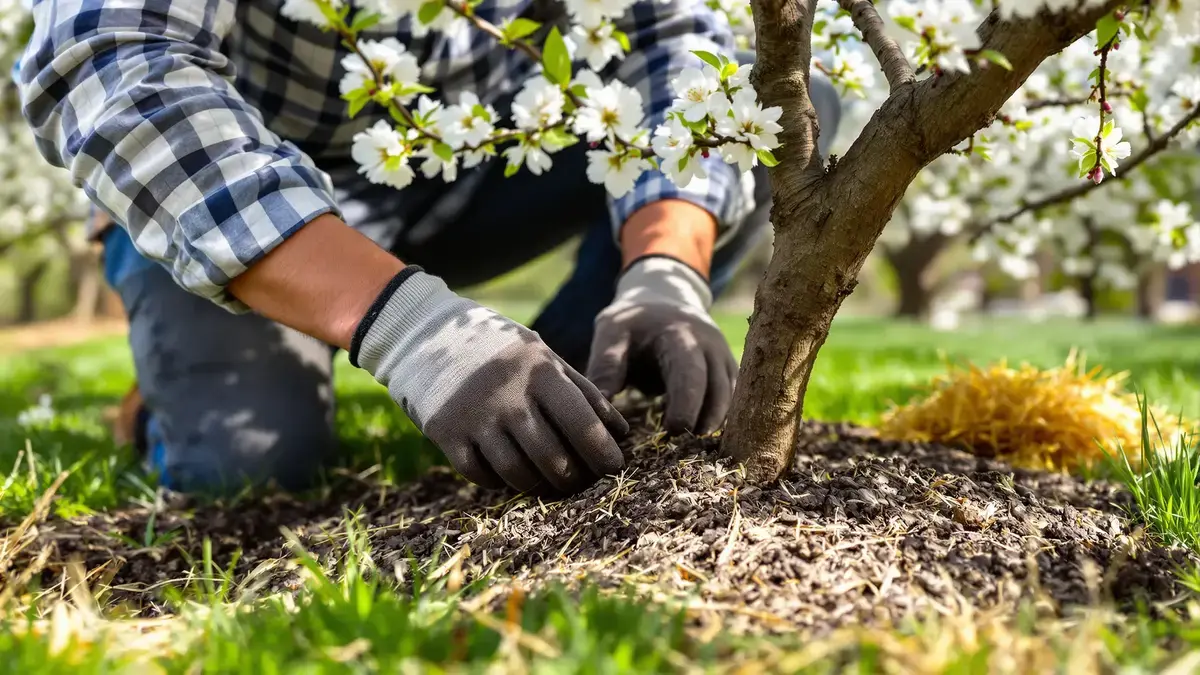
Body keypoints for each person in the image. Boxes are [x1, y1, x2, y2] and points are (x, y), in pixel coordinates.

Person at [17, 0, 841, 495]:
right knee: (252, 468)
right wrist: (413, 331)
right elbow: (111, 63)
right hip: (240, 186)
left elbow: (669, 44)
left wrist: (665, 271)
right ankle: (196, 354)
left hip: (471, 174)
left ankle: (558, 377)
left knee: (772, 106)